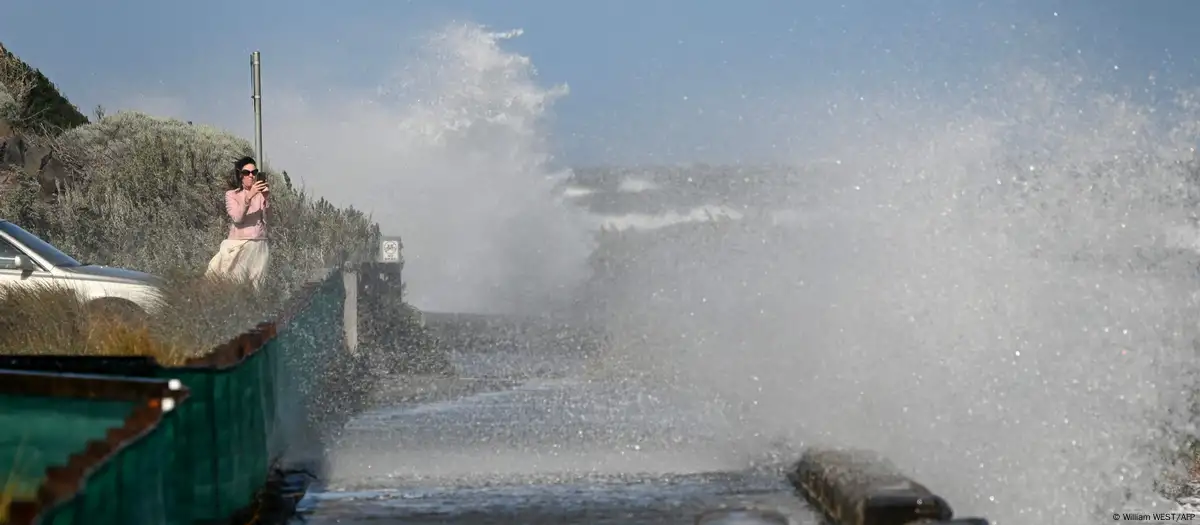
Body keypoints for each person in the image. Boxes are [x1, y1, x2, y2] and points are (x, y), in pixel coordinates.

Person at [206, 156, 270, 287]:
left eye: (254, 172)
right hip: (238, 245)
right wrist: (249, 197)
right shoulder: (231, 194)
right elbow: (238, 218)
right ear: (241, 175)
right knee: (231, 284)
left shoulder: (261, 195)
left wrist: (266, 199)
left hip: (259, 246)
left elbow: (269, 220)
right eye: (247, 173)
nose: (251, 176)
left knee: (256, 287)